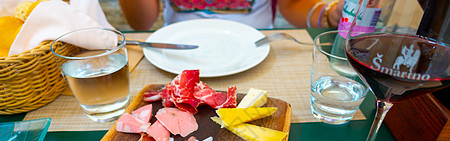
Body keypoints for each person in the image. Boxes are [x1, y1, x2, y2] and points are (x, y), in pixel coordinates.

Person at [119, 0, 344, 30]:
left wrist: (327, 15)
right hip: (177, 49)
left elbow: (291, 5)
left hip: (258, 46)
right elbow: (142, 22)